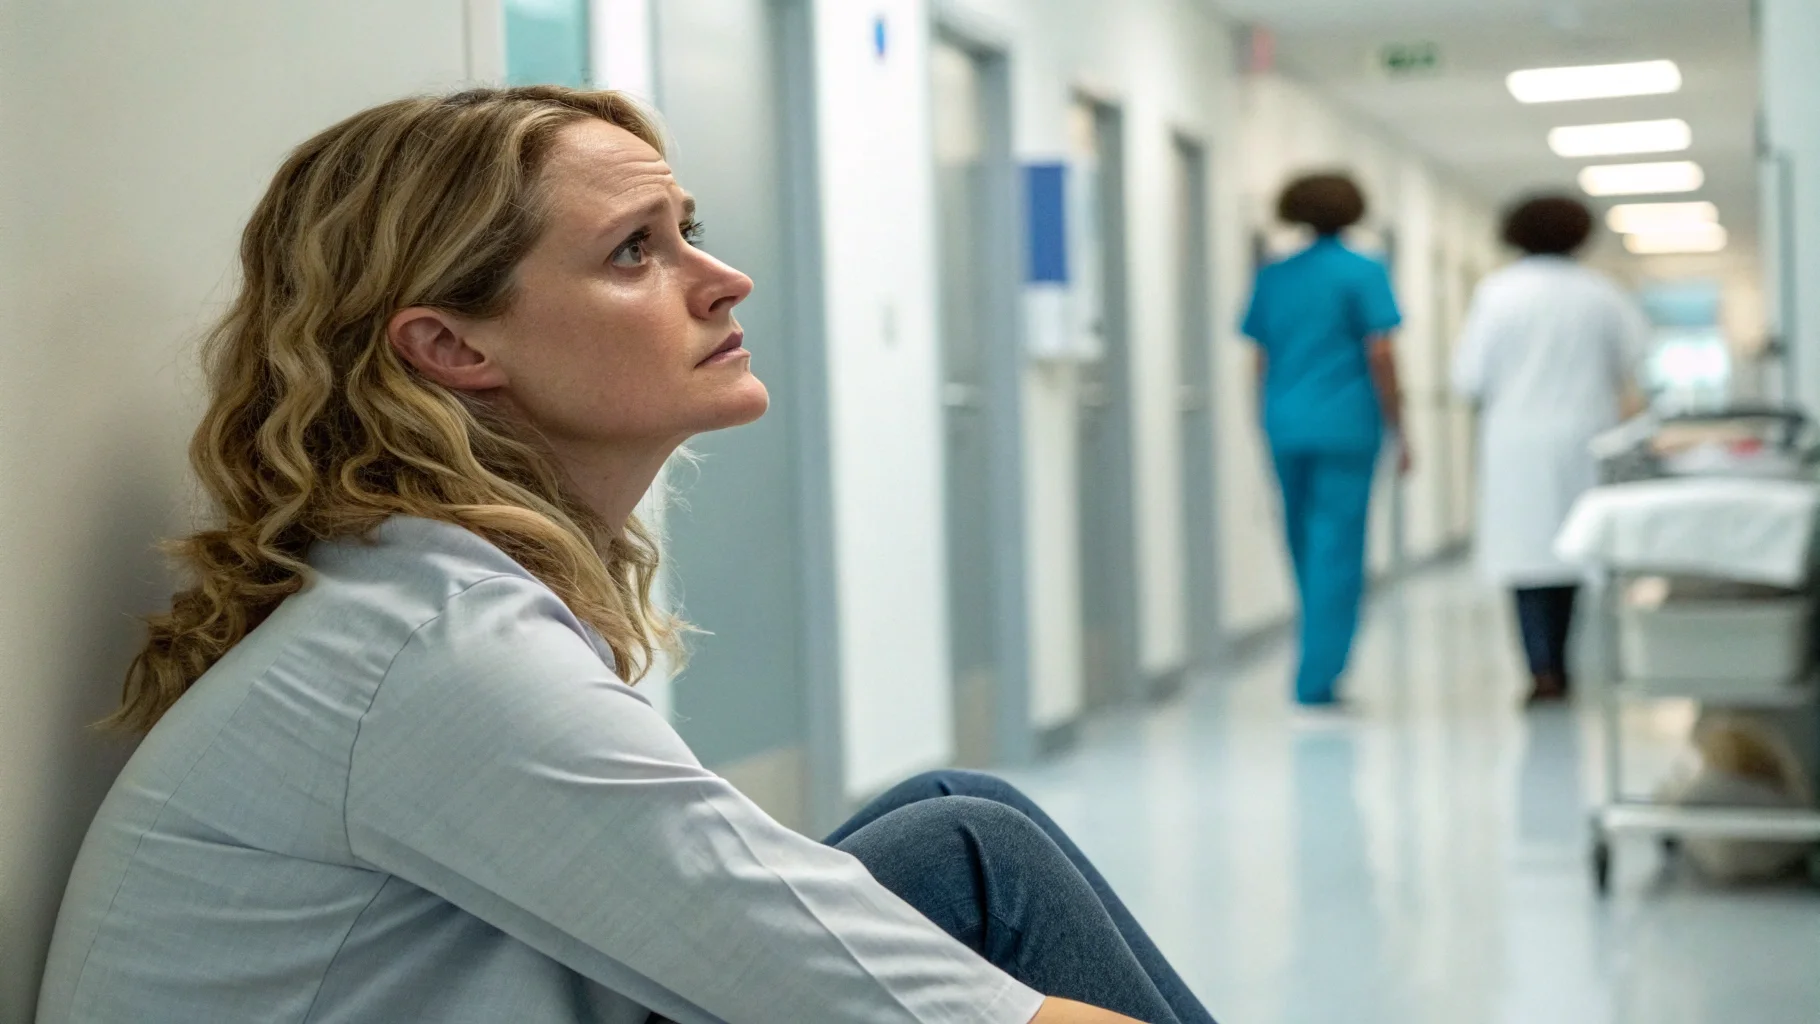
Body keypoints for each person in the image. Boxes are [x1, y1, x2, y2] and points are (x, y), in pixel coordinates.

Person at [35, 88, 1216, 1024]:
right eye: (633, 252)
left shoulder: (421, 598)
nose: (723, 278)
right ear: (450, 345)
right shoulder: (441, 659)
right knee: (975, 857)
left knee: (951, 823)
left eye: (684, 231)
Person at [1451, 193, 1647, 705]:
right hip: (1585, 432)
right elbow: (1634, 359)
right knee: (1576, 551)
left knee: (1527, 557)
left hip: (1517, 437)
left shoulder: (1497, 294)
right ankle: (1567, 660)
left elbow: (1468, 376)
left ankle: (1543, 669)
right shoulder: (1601, 293)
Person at [1241, 172, 1408, 709]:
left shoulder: (1274, 276)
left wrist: (1265, 420)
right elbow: (1381, 353)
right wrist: (1400, 426)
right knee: (1337, 549)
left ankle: (1315, 664)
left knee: (1300, 542)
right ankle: (1317, 679)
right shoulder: (1363, 270)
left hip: (1286, 423)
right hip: (1348, 425)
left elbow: (1260, 358)